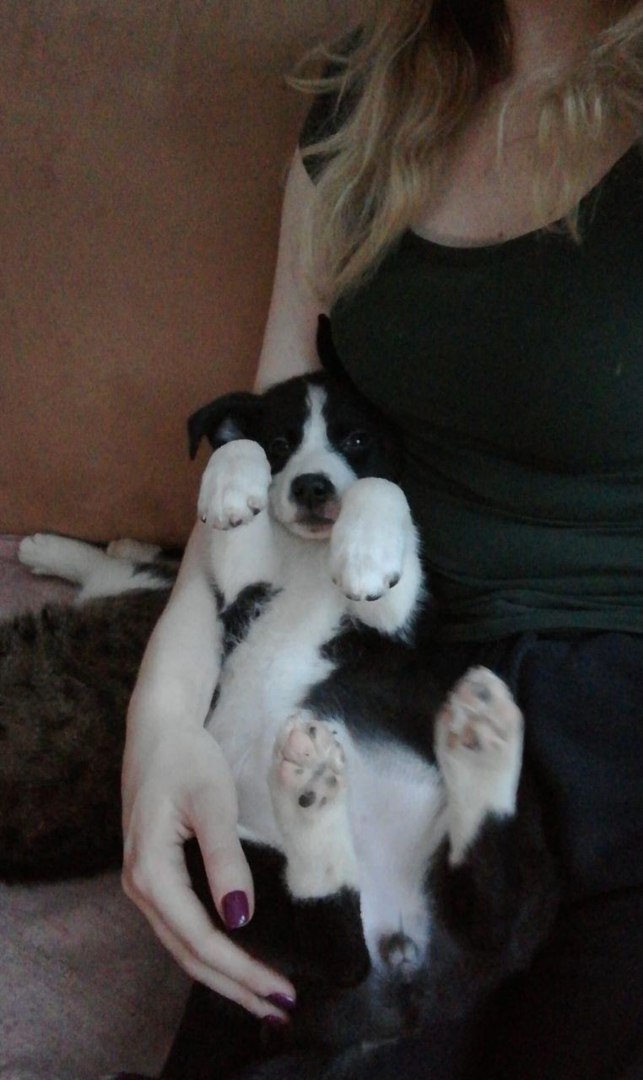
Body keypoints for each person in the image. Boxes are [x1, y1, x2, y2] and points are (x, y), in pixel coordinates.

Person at [121, 1, 643, 1075]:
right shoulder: (360, 93)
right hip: (375, 669)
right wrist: (163, 718)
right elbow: (265, 458)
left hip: (615, 726)